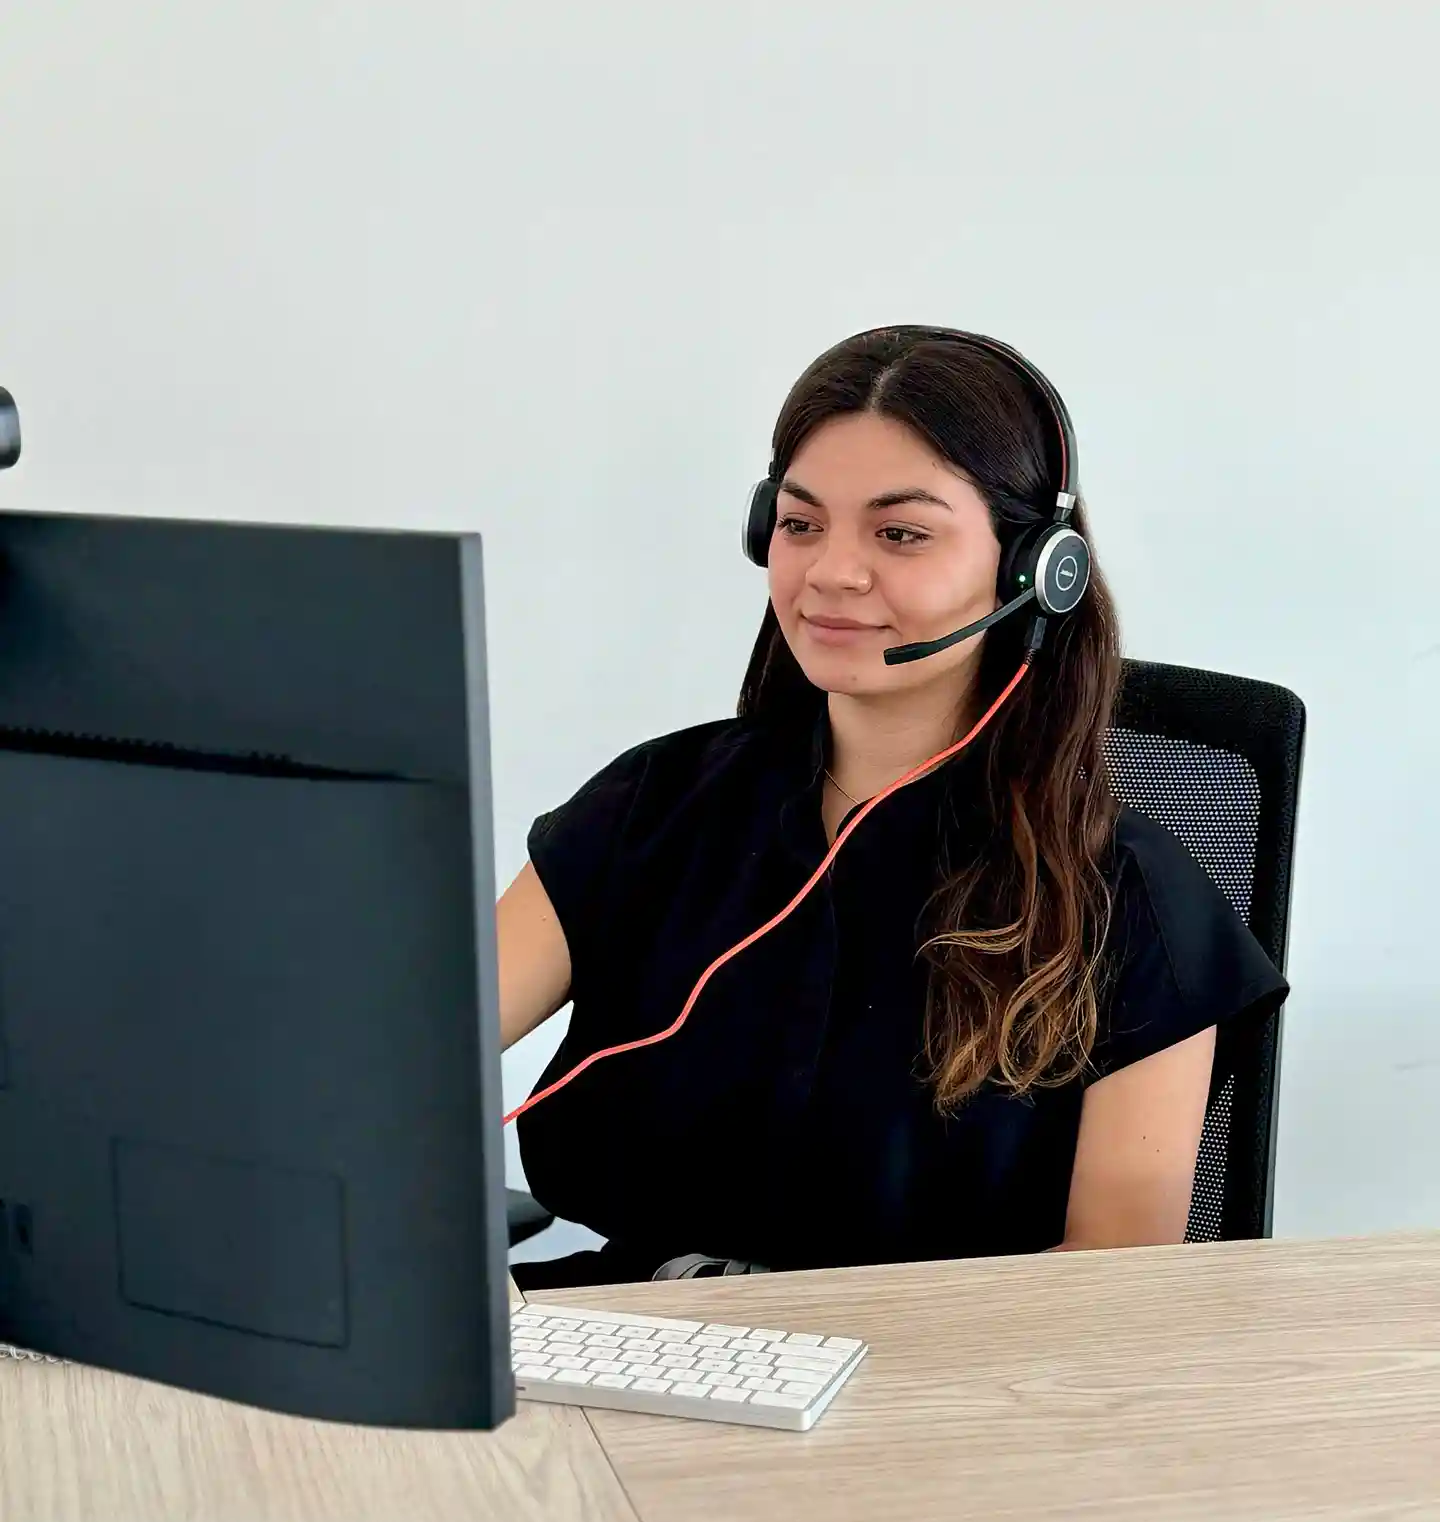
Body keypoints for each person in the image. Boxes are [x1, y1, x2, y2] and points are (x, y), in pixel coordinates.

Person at [498, 325, 1288, 1287]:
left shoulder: (1132, 903)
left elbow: (1111, 1292)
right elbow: (400, 1043)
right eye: (800, 524)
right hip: (623, 1344)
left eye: (900, 533)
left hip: (928, 1391)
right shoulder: (655, 806)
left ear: (1036, 566)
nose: (832, 571)